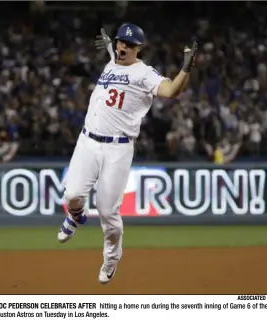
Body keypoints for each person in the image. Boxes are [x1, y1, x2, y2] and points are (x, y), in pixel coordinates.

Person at [57, 24, 197, 284]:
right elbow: (113, 51)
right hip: (87, 141)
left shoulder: (144, 74)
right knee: (72, 195)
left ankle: (111, 258)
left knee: (108, 211)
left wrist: (186, 69)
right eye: (122, 42)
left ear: (139, 48)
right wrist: (111, 43)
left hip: (118, 148)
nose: (124, 47)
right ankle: (76, 216)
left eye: (130, 45)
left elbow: (170, 91)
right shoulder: (113, 58)